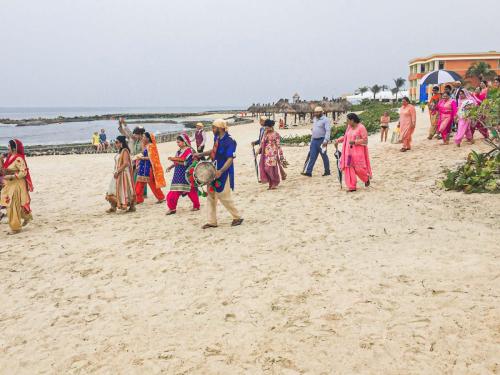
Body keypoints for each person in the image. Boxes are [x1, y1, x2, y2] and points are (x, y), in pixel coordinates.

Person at [195, 119, 243, 229]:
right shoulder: (217, 138)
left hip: (224, 171)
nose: (212, 129)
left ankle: (237, 217)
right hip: (213, 169)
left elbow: (230, 158)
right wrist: (200, 153)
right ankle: (212, 221)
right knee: (211, 195)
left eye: (214, 127)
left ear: (221, 128)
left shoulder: (230, 141)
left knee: (223, 196)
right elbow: (213, 151)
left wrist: (221, 171)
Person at [0, 139, 34, 234]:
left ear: (14, 148)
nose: (8, 148)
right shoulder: (10, 157)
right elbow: (3, 171)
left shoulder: (18, 158)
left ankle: (15, 228)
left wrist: (12, 176)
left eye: (9, 147)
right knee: (10, 203)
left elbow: (24, 172)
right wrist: (1, 159)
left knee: (13, 205)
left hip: (17, 183)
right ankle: (27, 217)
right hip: (9, 184)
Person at [334, 113, 372, 192]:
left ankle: (366, 178)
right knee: (349, 168)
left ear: (352, 120)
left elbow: (365, 141)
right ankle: (352, 186)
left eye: (348, 120)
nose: (347, 122)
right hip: (348, 153)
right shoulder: (349, 127)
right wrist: (338, 140)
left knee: (359, 169)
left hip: (358, 153)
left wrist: (355, 142)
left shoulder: (361, 128)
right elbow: (345, 137)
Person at [165, 133, 200, 215]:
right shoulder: (178, 151)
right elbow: (176, 161)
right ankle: (172, 208)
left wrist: (175, 160)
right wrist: (171, 166)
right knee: (173, 192)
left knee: (190, 190)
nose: (178, 144)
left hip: (187, 174)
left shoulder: (190, 151)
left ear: (184, 141)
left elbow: (188, 163)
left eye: (179, 142)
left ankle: (196, 205)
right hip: (178, 174)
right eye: (177, 142)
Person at [118, 119, 148, 198]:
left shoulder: (142, 141)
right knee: (135, 176)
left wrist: (125, 124)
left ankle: (142, 194)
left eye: (136, 134)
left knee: (140, 177)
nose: (134, 135)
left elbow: (130, 134)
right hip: (133, 159)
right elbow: (124, 132)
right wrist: (121, 125)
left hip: (140, 159)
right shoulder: (134, 139)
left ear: (140, 134)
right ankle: (138, 192)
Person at [105, 136, 136, 212]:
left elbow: (126, 163)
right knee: (112, 189)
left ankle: (132, 206)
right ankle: (113, 207)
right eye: (115, 142)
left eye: (117, 142)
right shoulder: (120, 151)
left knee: (124, 190)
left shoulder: (125, 151)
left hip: (123, 173)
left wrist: (117, 171)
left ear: (121, 143)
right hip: (117, 172)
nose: (115, 144)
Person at [135, 132, 166, 204]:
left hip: (148, 168)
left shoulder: (151, 146)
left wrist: (142, 158)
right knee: (139, 184)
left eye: (144, 137)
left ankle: (161, 198)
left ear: (148, 138)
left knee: (153, 185)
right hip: (143, 167)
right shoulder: (146, 145)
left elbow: (152, 158)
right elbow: (143, 153)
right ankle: (138, 199)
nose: (143, 138)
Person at [302, 106, 331, 177]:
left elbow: (328, 130)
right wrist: (311, 140)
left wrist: (326, 140)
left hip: (322, 140)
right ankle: (309, 172)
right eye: (315, 112)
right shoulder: (315, 119)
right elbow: (314, 129)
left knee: (324, 156)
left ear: (322, 112)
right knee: (312, 156)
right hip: (314, 140)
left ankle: (327, 171)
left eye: (318, 112)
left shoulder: (326, 120)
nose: (316, 113)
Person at [258, 119, 285, 189]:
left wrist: (281, 154)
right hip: (266, 154)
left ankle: (274, 183)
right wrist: (258, 150)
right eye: (265, 127)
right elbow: (262, 143)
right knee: (266, 168)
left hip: (273, 154)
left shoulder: (276, 134)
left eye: (267, 127)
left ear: (271, 127)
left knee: (271, 169)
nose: (266, 129)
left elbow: (278, 145)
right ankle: (270, 183)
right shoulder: (265, 134)